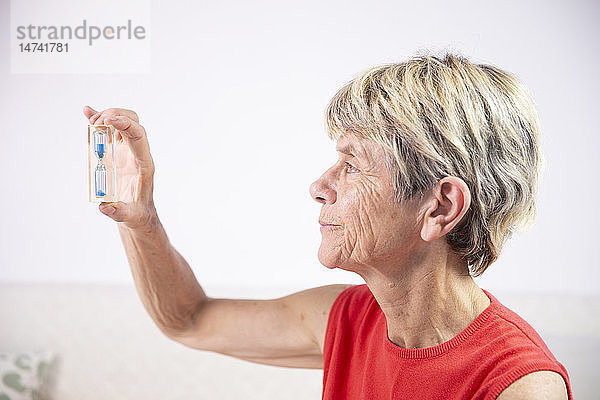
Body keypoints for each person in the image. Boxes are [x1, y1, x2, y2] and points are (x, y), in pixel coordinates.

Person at [82, 53, 572, 399]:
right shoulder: (351, 320)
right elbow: (187, 320)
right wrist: (141, 219)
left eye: (352, 164)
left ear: (440, 208)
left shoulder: (520, 385)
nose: (319, 185)